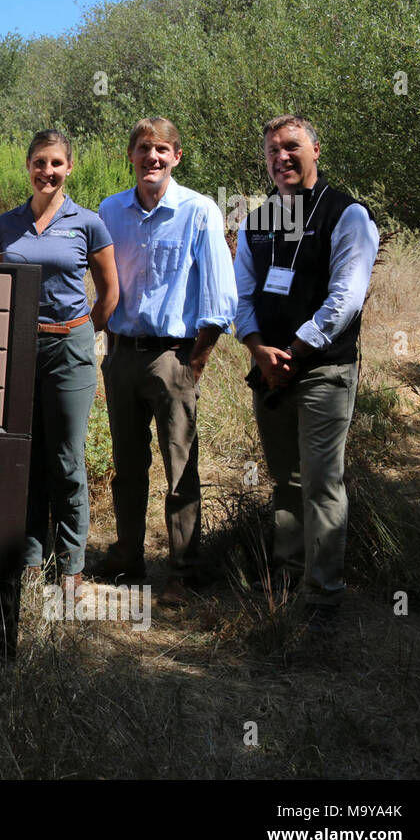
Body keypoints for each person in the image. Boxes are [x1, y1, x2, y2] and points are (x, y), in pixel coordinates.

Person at [235, 114, 379, 633]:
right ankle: (288, 578)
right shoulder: (257, 220)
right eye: (273, 151)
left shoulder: (347, 215)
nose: (282, 159)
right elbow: (242, 295)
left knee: (322, 481)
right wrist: (257, 349)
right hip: (269, 371)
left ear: (316, 149)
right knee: (287, 480)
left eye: (292, 147)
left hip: (322, 370)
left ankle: (323, 598)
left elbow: (346, 298)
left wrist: (292, 350)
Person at [90, 117, 237, 606]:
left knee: (180, 466)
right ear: (130, 155)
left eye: (161, 150)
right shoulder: (110, 211)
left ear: (176, 156)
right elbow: (104, 287)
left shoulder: (199, 211)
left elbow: (218, 297)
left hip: (175, 357)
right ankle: (128, 555)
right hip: (123, 356)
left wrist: (194, 363)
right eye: (143, 149)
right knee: (127, 465)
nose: (152, 157)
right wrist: (109, 349)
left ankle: (184, 570)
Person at [0, 130, 118, 597]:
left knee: (65, 458)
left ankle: (71, 565)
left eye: (56, 164)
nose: (47, 172)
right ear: (28, 167)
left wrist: (83, 334)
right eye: (39, 163)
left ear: (69, 168)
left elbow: (109, 293)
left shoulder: (88, 223)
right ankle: (29, 557)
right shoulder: (6, 225)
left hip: (70, 348)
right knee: (26, 454)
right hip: (21, 351)